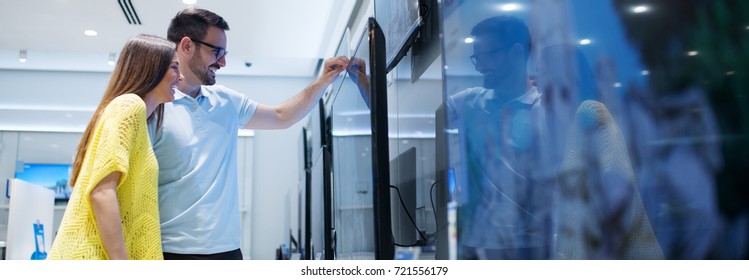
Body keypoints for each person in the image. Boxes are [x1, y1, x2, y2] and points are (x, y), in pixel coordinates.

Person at [149, 7, 348, 260]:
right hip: (171, 253)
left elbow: (281, 116)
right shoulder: (153, 107)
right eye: (216, 52)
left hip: (228, 252)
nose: (222, 62)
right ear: (187, 46)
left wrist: (323, 81)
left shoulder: (226, 101)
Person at [48, 34, 180, 260]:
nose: (181, 76)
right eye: (174, 67)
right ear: (151, 69)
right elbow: (102, 192)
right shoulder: (130, 106)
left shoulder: (136, 116)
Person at [445, 15, 551, 260]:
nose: (478, 66)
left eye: (485, 56)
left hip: (530, 249)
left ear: (515, 53)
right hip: (473, 247)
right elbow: (423, 120)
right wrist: (368, 85)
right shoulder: (469, 101)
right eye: (476, 57)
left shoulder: (545, 110)